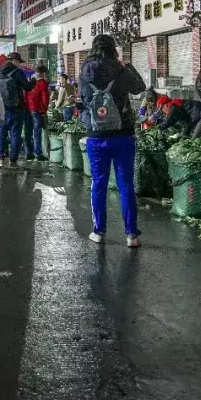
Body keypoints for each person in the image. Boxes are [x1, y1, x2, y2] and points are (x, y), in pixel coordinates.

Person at [79, 34, 147, 248]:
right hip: (123, 134)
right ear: (113, 49)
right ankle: (131, 235)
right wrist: (127, 66)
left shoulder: (85, 70)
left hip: (96, 136)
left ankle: (99, 232)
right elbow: (139, 88)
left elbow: (83, 98)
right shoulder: (120, 69)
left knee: (98, 183)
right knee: (126, 184)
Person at [0, 52, 34, 169]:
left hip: (1, 109)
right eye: (19, 62)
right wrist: (33, 81)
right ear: (15, 61)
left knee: (1, 133)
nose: (19, 65)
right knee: (15, 134)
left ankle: (0, 159)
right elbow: (27, 87)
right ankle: (13, 161)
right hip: (17, 108)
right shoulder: (17, 72)